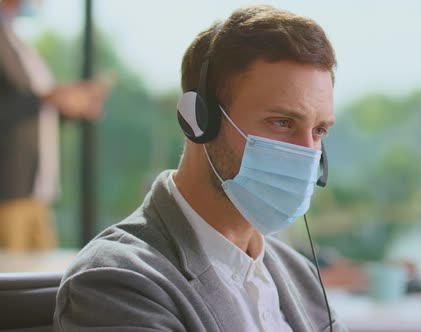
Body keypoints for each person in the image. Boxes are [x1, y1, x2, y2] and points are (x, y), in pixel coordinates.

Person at [54, 4, 347, 331]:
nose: (307, 153)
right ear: (199, 120)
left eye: (319, 130)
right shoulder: (116, 283)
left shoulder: (300, 276)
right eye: (281, 122)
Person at [0, 0, 109, 251]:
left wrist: (67, 107)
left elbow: (32, 110)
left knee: (41, 281)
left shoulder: (16, 39)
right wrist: (49, 98)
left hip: (35, 190)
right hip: (8, 191)